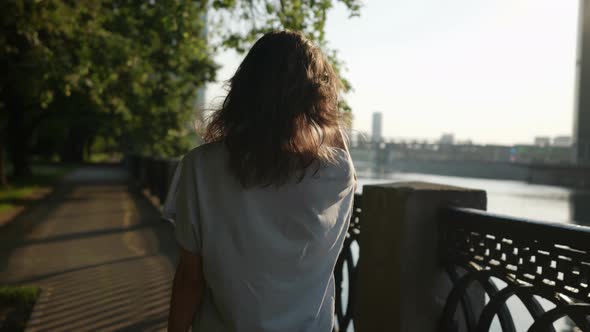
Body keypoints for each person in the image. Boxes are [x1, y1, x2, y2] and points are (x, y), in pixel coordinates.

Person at [166, 30, 356, 332]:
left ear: (243, 89)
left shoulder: (200, 167)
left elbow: (191, 278)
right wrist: (322, 117)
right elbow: (340, 154)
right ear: (314, 98)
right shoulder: (336, 172)